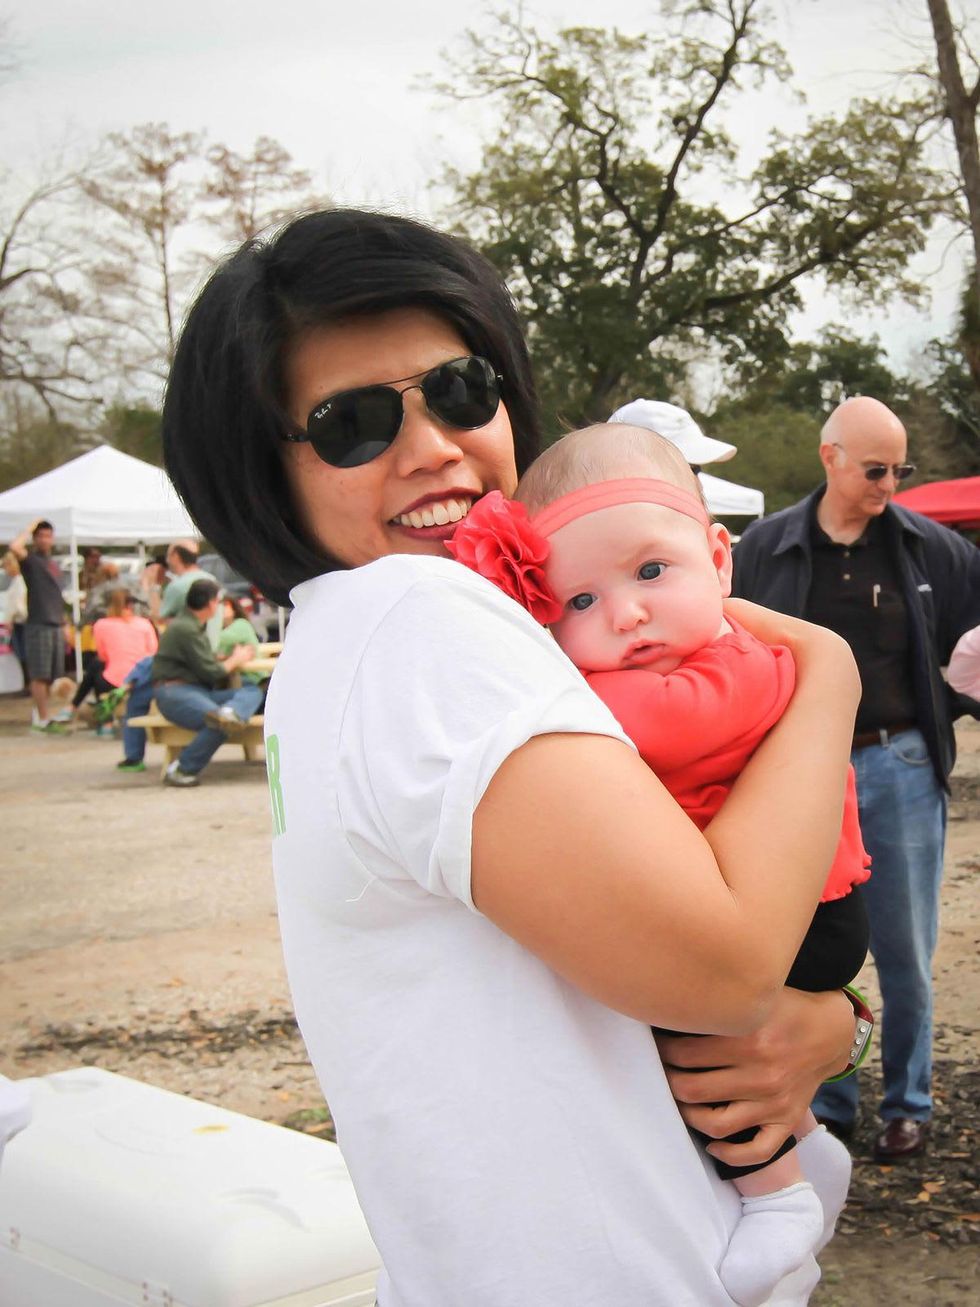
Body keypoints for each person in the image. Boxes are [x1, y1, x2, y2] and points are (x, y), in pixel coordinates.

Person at [160, 208, 863, 1306]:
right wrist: (827, 677)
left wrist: (828, 1021)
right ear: (262, 471)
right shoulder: (414, 614)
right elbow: (724, 969)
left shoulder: (343, 641)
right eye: (351, 424)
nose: (433, 447)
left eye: (458, 389)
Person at [448, 423, 870, 1305]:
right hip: (772, 902)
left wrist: (550, 679)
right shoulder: (729, 649)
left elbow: (657, 727)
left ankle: (777, 1194)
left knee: (689, 1042)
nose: (626, 614)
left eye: (650, 571)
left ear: (719, 558)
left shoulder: (738, 663)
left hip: (806, 915)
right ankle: (801, 1148)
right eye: (579, 600)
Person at [732, 396, 980, 1163]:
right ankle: (829, 1101)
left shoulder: (932, 547)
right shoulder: (765, 547)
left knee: (905, 950)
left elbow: (969, 644)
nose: (890, 485)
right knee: (820, 948)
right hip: (801, 774)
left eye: (901, 469)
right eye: (876, 470)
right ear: (829, 456)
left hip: (899, 762)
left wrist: (955, 702)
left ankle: (908, 1103)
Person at [151, 578, 262, 787]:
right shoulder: (185, 628)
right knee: (219, 722)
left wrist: (224, 659)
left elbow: (204, 663)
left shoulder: (190, 625)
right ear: (211, 603)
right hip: (175, 692)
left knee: (253, 689)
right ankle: (183, 769)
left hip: (196, 690)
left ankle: (232, 711)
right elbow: (211, 672)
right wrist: (235, 659)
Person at [9, 519, 69, 733]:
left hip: (55, 623)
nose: (45, 540)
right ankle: (42, 718)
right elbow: (15, 547)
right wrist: (29, 527)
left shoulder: (53, 564)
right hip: (38, 623)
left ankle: (43, 714)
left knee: (53, 675)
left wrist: (64, 623)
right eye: (41, 536)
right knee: (39, 673)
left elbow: (57, 595)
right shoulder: (31, 560)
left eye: (48, 536)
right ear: (35, 539)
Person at [71, 589, 158, 730]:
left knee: (96, 668)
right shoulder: (145, 624)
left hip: (115, 682)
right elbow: (153, 652)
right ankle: (74, 707)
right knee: (97, 667)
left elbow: (103, 656)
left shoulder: (101, 625)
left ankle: (103, 719)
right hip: (143, 678)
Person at [153, 540, 221, 647]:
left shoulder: (177, 586)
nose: (167, 560)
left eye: (168, 555)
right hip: (210, 647)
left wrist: (152, 586)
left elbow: (159, 618)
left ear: (175, 556)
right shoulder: (212, 580)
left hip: (187, 649)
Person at [1, 550, 28, 687]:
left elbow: (18, 606)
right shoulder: (17, 581)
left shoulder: (19, 581)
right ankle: (27, 683)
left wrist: (10, 619)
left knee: (23, 653)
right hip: (18, 622)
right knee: (21, 653)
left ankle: (28, 683)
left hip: (19, 622)